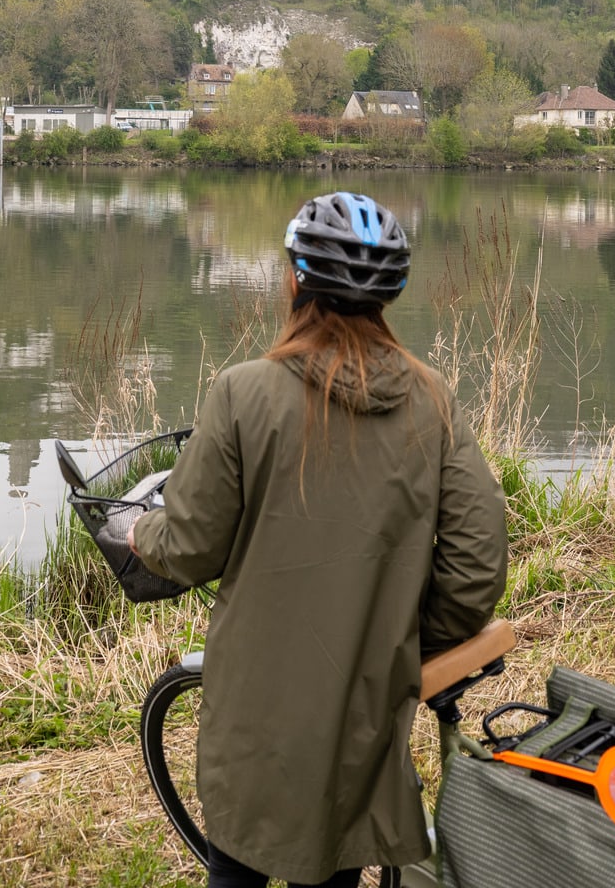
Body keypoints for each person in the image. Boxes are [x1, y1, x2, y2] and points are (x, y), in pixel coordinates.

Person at [129, 191, 508, 888]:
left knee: (237, 867)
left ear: (294, 278)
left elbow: (185, 546)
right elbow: (477, 562)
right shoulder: (432, 400)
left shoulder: (243, 392)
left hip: (255, 699)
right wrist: (404, 645)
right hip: (366, 693)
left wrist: (136, 529)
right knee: (337, 858)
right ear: (390, 294)